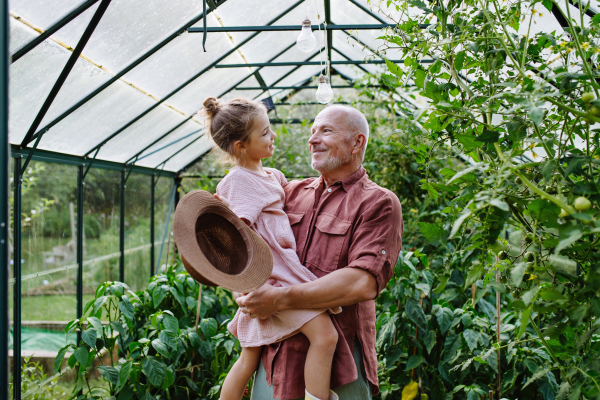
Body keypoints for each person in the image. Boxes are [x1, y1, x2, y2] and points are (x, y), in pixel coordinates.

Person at [232, 104, 404, 400]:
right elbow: (248, 243)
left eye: (325, 130)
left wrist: (280, 298)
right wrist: (246, 288)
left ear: (357, 142)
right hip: (275, 360)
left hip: (340, 365)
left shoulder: (378, 203)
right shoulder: (287, 193)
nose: (312, 139)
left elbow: (362, 281)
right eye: (312, 131)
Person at [201, 97, 344, 400]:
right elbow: (235, 237)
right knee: (325, 335)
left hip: (275, 276)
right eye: (265, 132)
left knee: (248, 359)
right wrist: (245, 283)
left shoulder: (272, 176)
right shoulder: (239, 182)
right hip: (273, 279)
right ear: (241, 146)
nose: (273, 135)